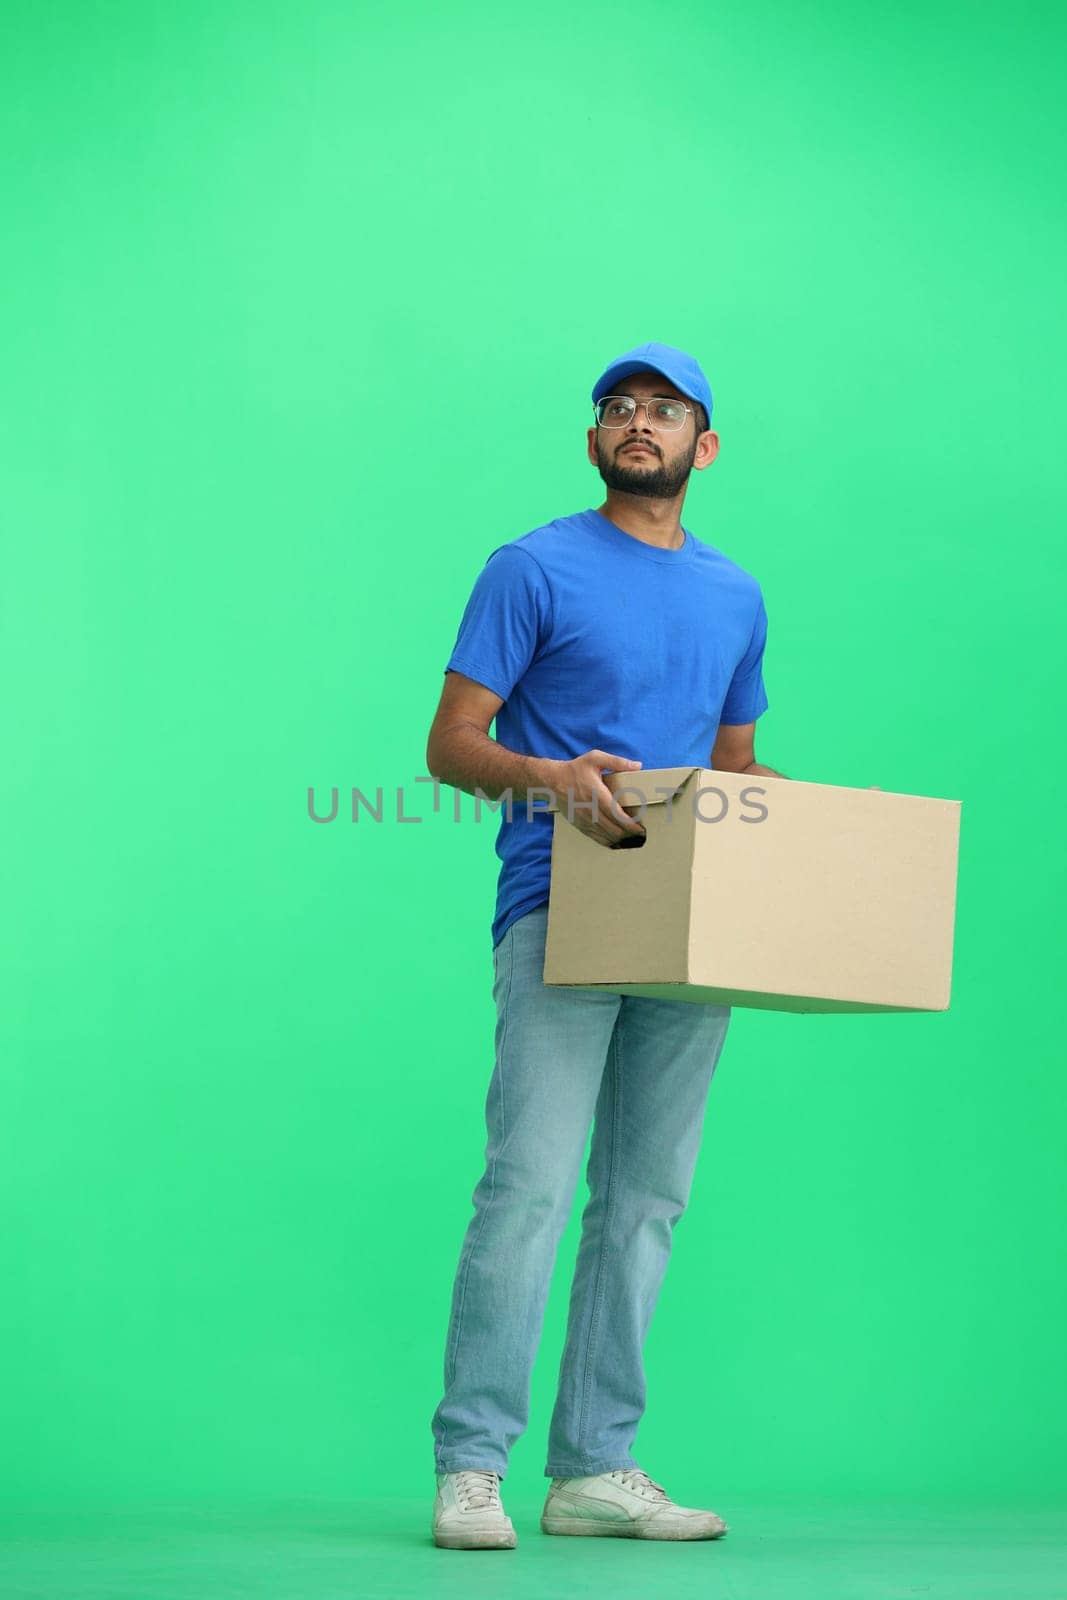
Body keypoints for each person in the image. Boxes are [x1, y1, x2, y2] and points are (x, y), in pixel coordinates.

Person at [425, 341, 787, 1552]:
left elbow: (729, 767)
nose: (640, 423)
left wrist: (792, 815)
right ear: (592, 441)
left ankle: (592, 1468)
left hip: (690, 924)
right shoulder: (530, 567)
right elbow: (450, 745)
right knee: (525, 1187)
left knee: (643, 1199)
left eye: (665, 409)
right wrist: (548, 776)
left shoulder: (735, 595)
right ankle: (472, 1462)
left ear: (704, 444)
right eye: (617, 409)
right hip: (559, 901)